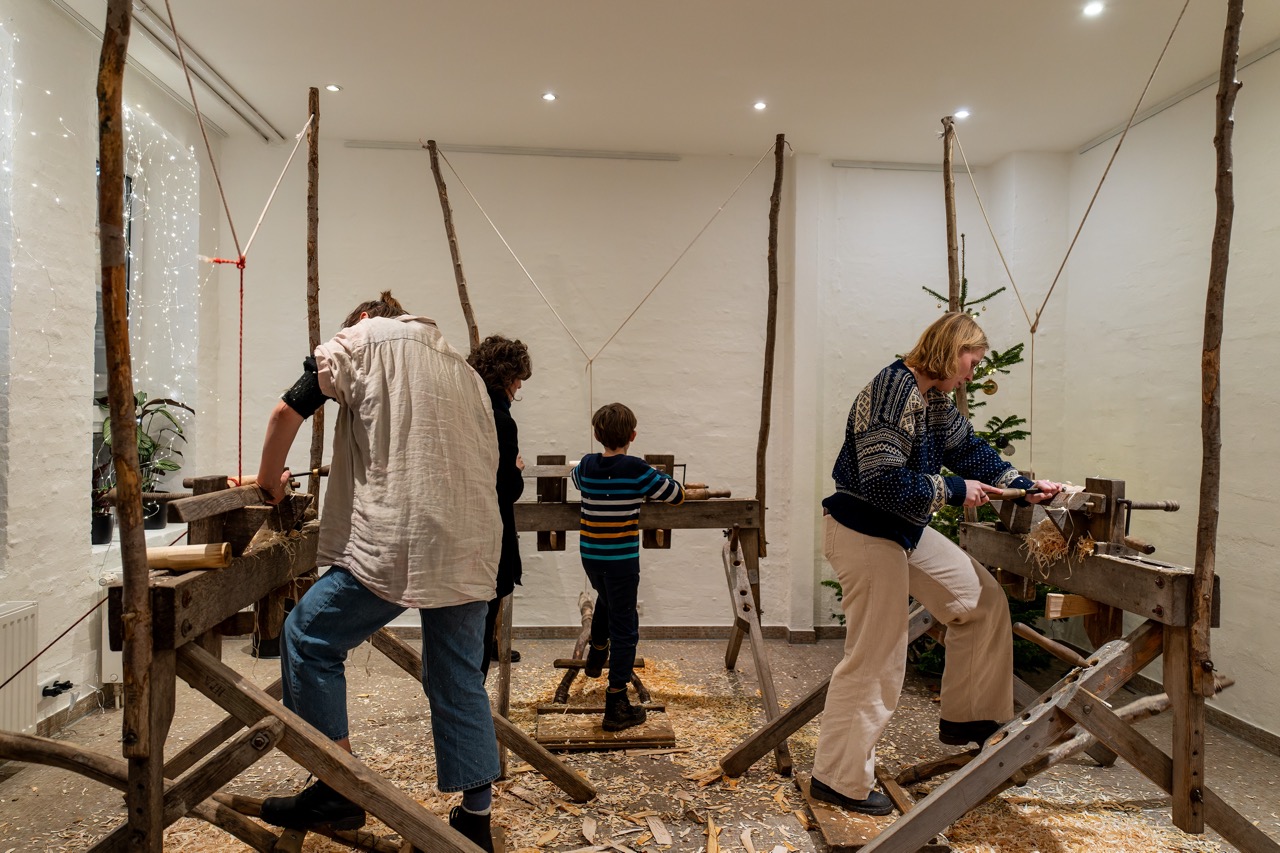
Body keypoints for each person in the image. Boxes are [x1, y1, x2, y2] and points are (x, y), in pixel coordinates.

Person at [254, 291, 502, 851]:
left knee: (309, 636)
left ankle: (335, 785)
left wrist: (270, 482)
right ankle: (476, 820)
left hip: (402, 534)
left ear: (364, 319)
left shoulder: (361, 340)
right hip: (469, 538)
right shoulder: (461, 367)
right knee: (458, 675)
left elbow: (285, 411)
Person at [810, 312, 1062, 816]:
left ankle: (971, 720)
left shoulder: (933, 398)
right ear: (952, 350)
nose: (973, 372)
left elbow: (966, 448)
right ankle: (836, 779)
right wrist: (951, 489)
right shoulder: (892, 392)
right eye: (972, 360)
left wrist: (1022, 483)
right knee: (875, 656)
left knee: (981, 600)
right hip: (863, 530)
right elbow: (882, 482)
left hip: (899, 528)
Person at [570, 403, 684, 732]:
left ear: (596, 435)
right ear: (633, 436)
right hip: (620, 561)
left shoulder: (588, 465)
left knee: (606, 599)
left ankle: (598, 650)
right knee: (627, 628)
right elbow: (675, 495)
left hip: (592, 557)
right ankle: (616, 703)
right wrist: (657, 476)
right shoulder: (636, 469)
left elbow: (574, 478)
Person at [466, 334, 533, 674]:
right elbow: (504, 488)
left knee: (458, 639)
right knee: (477, 641)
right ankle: (470, 719)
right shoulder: (500, 420)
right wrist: (517, 471)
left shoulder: (462, 410)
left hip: (457, 544)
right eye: (518, 379)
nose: (519, 387)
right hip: (488, 544)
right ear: (507, 378)